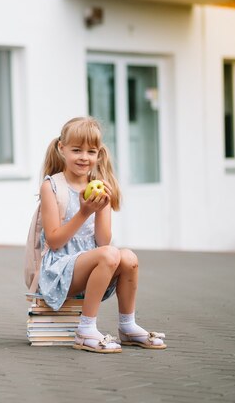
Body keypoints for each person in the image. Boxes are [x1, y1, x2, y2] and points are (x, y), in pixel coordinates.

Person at [37, 116, 166, 353]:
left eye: (91, 151)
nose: (84, 157)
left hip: (94, 265)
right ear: (61, 148)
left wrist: (101, 207)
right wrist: (84, 212)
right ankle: (86, 330)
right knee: (109, 255)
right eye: (76, 150)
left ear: (99, 153)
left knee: (128, 257)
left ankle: (127, 326)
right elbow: (54, 241)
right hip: (57, 270)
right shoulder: (52, 186)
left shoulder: (98, 185)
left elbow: (103, 241)